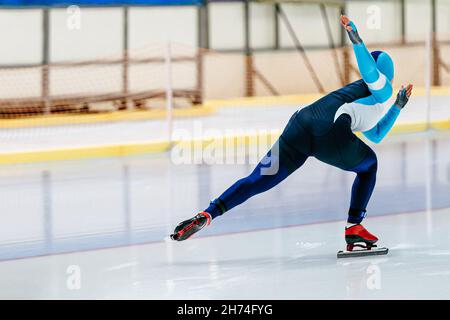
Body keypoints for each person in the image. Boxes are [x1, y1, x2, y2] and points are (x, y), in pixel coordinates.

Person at [170, 15, 413, 252]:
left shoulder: (368, 101)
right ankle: (354, 226)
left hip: (300, 124)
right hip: (327, 131)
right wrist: (357, 40)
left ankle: (208, 214)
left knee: (257, 180)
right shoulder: (382, 88)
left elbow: (377, 134)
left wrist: (398, 107)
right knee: (369, 165)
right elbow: (370, 72)